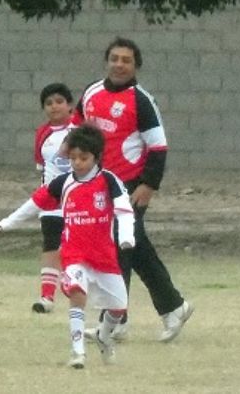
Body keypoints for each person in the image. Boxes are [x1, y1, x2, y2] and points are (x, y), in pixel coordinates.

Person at [74, 37, 193, 343]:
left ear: (135, 66)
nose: (119, 64)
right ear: (106, 61)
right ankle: (174, 307)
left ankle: (114, 322)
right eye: (114, 58)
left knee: (117, 248)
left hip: (129, 187)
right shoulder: (91, 92)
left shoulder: (141, 100)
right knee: (136, 249)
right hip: (100, 185)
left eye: (126, 60)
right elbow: (78, 131)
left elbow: (158, 147)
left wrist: (148, 185)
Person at [26, 124, 135, 369]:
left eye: (83, 158)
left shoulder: (108, 180)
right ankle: (78, 353)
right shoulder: (65, 182)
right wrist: (7, 222)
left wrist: (127, 237)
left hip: (104, 255)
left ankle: (103, 336)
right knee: (77, 295)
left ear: (96, 157)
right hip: (74, 253)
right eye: (73, 158)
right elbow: (34, 203)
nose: (77, 163)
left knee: (118, 308)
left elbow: (125, 211)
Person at [0, 83, 74, 314]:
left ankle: (77, 288)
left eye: (59, 101)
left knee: (73, 248)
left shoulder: (80, 129)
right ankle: (46, 297)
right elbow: (42, 166)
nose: (54, 107)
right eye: (48, 103)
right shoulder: (43, 133)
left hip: (77, 199)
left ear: (70, 105)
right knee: (50, 245)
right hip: (50, 200)